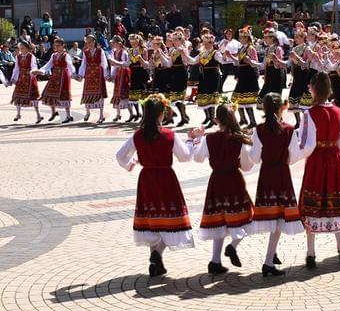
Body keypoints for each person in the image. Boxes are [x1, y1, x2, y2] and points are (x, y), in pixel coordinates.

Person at [114, 95, 195, 277]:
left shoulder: (138, 135)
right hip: (166, 177)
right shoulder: (168, 135)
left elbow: (120, 156)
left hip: (147, 179)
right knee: (171, 218)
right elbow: (185, 157)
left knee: (152, 219)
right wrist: (191, 140)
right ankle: (157, 254)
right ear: (161, 114)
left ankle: (155, 261)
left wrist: (131, 163)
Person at [189, 104, 255, 275]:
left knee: (220, 220)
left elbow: (197, 157)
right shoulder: (239, 139)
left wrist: (197, 138)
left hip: (217, 181)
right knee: (247, 217)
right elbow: (247, 166)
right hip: (234, 180)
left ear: (216, 120)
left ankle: (215, 260)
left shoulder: (209, 139)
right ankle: (232, 246)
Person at [248, 93, 306, 277]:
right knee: (280, 219)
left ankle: (271, 256)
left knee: (273, 217)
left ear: (264, 109)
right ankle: (268, 261)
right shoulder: (289, 130)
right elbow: (295, 156)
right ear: (282, 107)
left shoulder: (259, 130)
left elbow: (254, 158)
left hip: (266, 174)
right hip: (281, 173)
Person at [296, 71, 340, 268]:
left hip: (317, 159)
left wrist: (294, 155)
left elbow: (307, 144)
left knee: (314, 199)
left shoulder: (309, 114)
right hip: (334, 158)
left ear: (313, 89)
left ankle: (311, 252)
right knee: (333, 197)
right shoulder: (338, 112)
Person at [36, 37, 74, 123]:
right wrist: (40, 71)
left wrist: (74, 74)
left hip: (64, 76)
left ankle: (68, 115)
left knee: (65, 95)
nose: (56, 47)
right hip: (55, 76)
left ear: (62, 46)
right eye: (55, 45)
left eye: (58, 45)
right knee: (49, 93)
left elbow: (70, 66)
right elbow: (48, 65)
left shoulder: (66, 55)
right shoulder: (54, 55)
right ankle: (54, 112)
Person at [77, 34, 108, 123]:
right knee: (88, 93)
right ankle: (87, 112)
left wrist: (105, 74)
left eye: (90, 42)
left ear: (94, 41)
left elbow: (104, 63)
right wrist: (81, 75)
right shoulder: (85, 52)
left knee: (100, 94)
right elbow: (83, 64)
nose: (89, 44)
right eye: (87, 42)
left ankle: (101, 115)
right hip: (89, 74)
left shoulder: (100, 51)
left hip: (98, 73)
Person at [10, 41, 42, 123]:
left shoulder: (31, 56)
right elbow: (16, 68)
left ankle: (38, 115)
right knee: (18, 96)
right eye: (20, 48)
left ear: (27, 48)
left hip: (30, 78)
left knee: (33, 97)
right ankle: (18, 114)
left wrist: (32, 72)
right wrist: (13, 78)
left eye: (23, 48)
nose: (21, 49)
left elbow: (34, 66)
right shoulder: (18, 57)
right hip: (21, 78)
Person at [105, 36, 134, 122]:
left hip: (124, 73)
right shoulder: (114, 52)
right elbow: (113, 66)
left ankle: (131, 113)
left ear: (119, 43)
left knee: (124, 92)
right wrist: (112, 75)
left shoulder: (124, 52)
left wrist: (115, 62)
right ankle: (118, 114)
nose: (112, 44)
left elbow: (125, 64)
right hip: (118, 73)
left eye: (114, 43)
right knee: (117, 92)